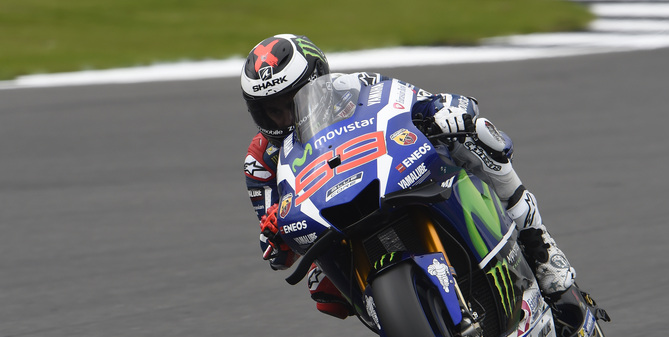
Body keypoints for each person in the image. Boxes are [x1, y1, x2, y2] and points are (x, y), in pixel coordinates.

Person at [242, 33, 576, 319]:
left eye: (293, 103)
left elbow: (428, 101)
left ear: (318, 79)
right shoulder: (260, 161)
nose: (286, 117)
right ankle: (392, 320)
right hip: (335, 223)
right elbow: (276, 255)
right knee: (320, 284)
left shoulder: (356, 86)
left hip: (391, 180)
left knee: (475, 135)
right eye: (273, 110)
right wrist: (273, 233)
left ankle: (539, 243)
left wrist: (441, 112)